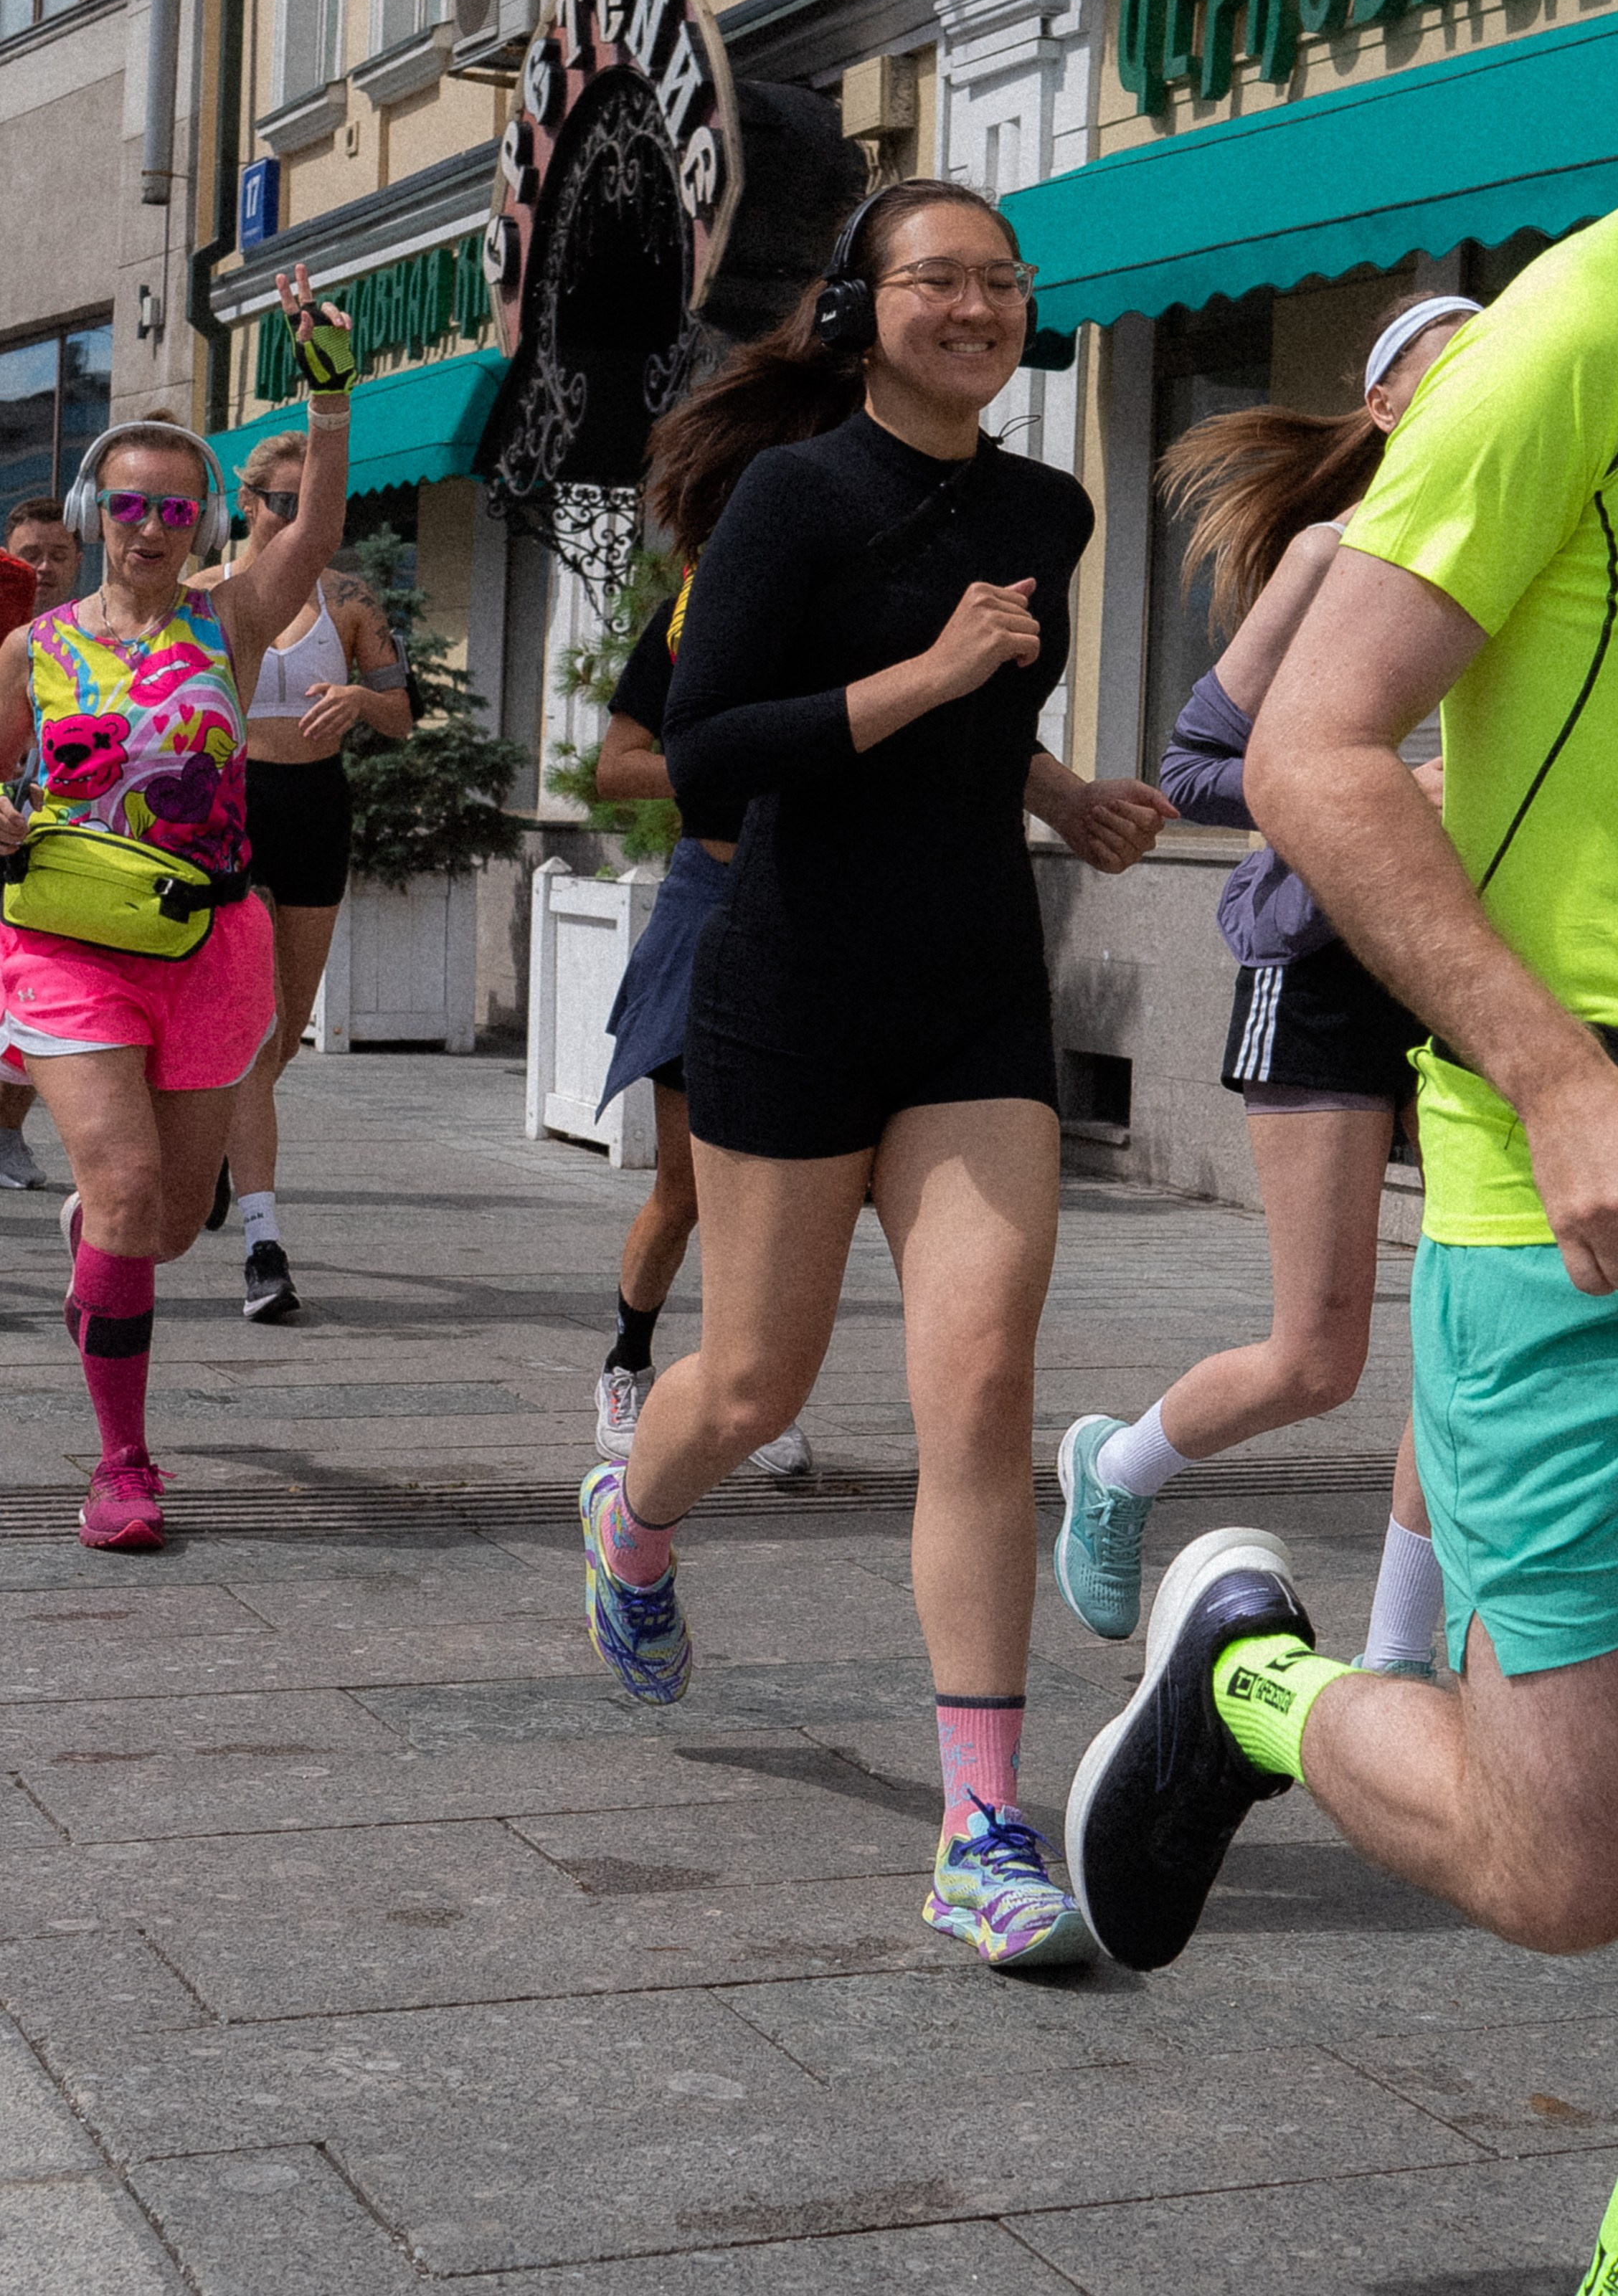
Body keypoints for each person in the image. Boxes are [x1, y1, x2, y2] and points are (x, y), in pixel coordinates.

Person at [1063, 207, 1618, 2285]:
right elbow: (1292, 751)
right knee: (1559, 1865)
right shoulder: (1573, 332)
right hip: (1559, 1160)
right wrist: (1552, 1070)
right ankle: (1252, 1683)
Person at [577, 177, 1175, 1970]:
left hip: (974, 992)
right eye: (938, 279)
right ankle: (632, 1518)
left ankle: (981, 1826)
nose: (977, 306)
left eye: (1003, 279)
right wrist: (928, 672)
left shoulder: (1047, 506)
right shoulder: (790, 493)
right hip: (795, 988)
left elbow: (981, 719)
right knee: (754, 1381)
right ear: (860, 306)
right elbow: (698, 754)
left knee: (979, 1388)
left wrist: (1059, 787)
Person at [1053, 294, 1479, 1675]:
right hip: (1327, 960)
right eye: (1449, 372)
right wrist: (1380, 793)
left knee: (1472, 1338)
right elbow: (1190, 769)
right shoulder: (1333, 551)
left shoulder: (1530, 538)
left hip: (1480, 968)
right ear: (1383, 405)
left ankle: (1398, 1659)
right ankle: (1119, 1465)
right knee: (1318, 1357)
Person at [0, 265, 355, 1548]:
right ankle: (124, 1466)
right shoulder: (34, 651)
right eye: (128, 506)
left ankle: (107, 1238)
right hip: (67, 943)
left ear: (200, 520)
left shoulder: (230, 618)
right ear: (96, 514)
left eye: (173, 507)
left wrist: (327, 393)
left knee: (164, 1223)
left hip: (210, 940)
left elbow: (315, 529)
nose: (149, 527)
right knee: (127, 1179)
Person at [592, 586, 814, 1479]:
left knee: (779, 1191)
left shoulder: (843, 607)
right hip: (709, 901)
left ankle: (747, 1394)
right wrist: (738, 757)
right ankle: (626, 1365)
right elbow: (616, 766)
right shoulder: (695, 612)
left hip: (807, 909)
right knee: (684, 1188)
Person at [196, 432, 411, 1319]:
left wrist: (362, 699)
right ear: (248, 502)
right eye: (281, 502)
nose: (295, 518)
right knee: (254, 1028)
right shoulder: (207, 592)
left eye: (310, 503)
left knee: (284, 1034)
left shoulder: (348, 598)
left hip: (318, 805)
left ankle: (218, 1143)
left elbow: (402, 716)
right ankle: (264, 1240)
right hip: (235, 805)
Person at [0, 498, 83, 1187]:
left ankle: (6, 1133)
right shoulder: (6, 634)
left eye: (59, 554)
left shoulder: (96, 637)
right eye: (32, 554)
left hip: (59, 847)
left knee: (36, 998)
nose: (46, 568)